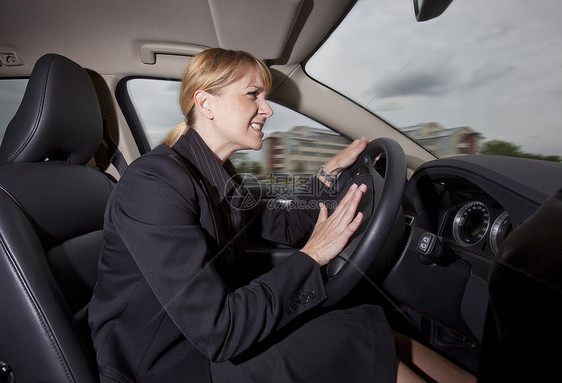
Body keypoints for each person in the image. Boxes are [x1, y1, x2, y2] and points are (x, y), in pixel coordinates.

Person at [89, 48, 474, 383]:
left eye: (265, 97)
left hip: (202, 339)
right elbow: (218, 331)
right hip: (169, 364)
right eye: (253, 94)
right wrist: (314, 255)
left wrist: (327, 176)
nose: (267, 109)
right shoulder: (154, 182)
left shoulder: (219, 176)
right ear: (206, 103)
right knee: (349, 343)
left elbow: (284, 226)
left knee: (366, 324)